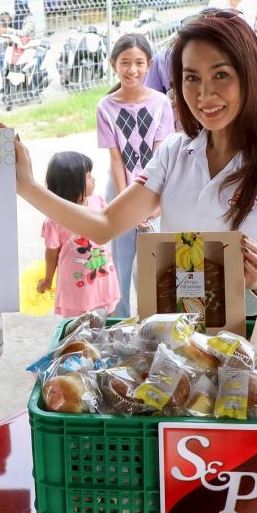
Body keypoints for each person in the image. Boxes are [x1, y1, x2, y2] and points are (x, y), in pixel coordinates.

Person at [4, 11, 257, 314]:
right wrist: (26, 186)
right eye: (191, 78)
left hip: (248, 339)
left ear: (248, 76)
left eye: (221, 74)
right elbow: (104, 225)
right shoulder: (174, 152)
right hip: (178, 337)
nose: (204, 94)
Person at [96, 34, 174, 318]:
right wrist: (127, 204)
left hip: (155, 190)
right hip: (119, 190)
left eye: (139, 63)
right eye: (125, 62)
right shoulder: (105, 107)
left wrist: (151, 204)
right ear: (113, 63)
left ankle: (153, 323)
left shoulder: (161, 103)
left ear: (149, 65)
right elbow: (116, 159)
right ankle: (119, 322)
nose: (132, 69)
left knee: (153, 264)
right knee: (120, 262)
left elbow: (159, 153)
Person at [37, 151, 120, 318]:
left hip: (103, 280)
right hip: (76, 290)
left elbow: (114, 223)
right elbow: (51, 253)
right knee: (77, 332)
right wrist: (48, 279)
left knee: (109, 326)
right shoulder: (54, 218)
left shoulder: (98, 202)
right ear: (73, 184)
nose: (94, 180)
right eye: (89, 177)